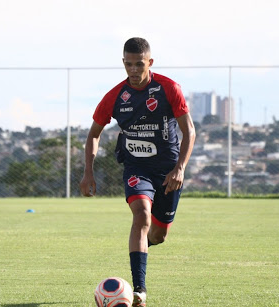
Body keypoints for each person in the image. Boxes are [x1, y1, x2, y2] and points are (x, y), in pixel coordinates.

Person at [80, 37, 196, 306]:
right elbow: (93, 135)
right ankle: (139, 291)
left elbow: (188, 130)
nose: (133, 70)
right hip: (137, 169)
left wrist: (180, 168)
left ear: (150, 62)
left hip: (168, 172)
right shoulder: (114, 96)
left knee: (158, 235)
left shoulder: (169, 89)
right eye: (128, 64)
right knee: (141, 216)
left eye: (139, 64)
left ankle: (142, 246)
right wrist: (88, 172)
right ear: (123, 63)